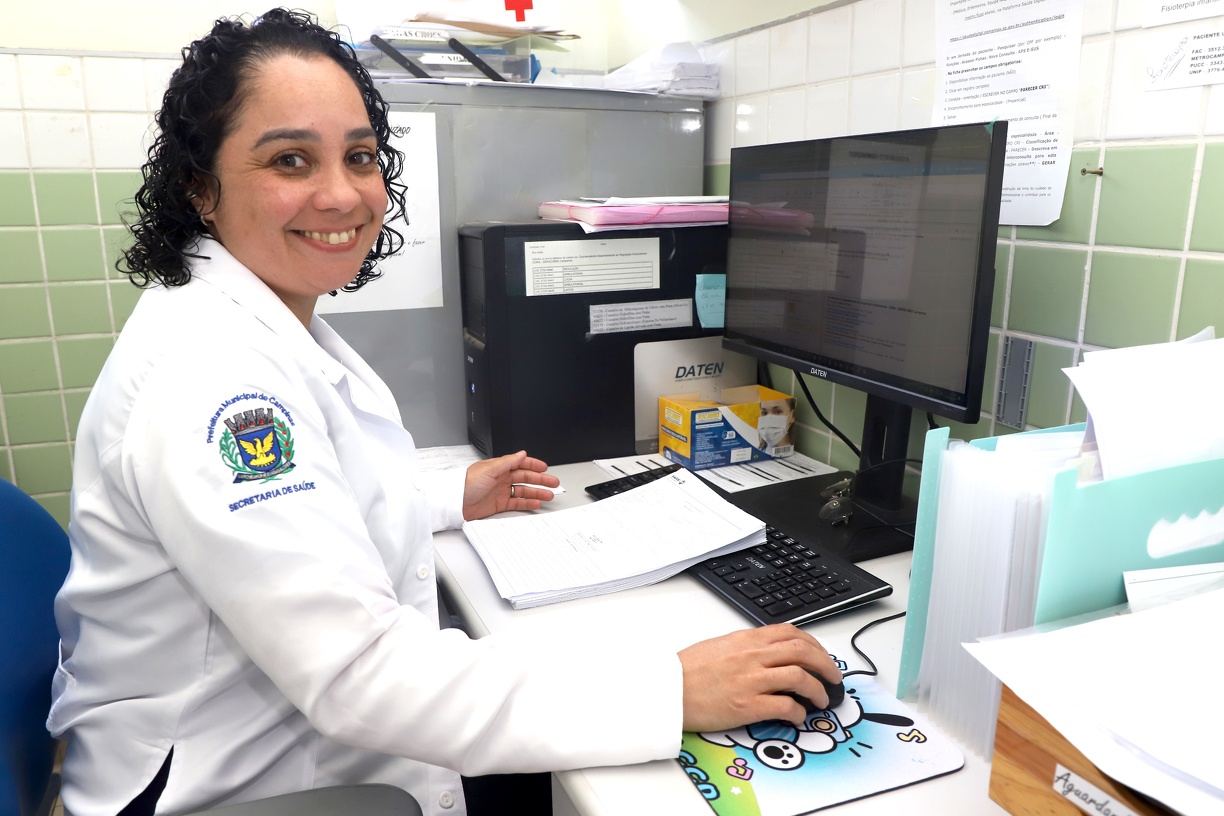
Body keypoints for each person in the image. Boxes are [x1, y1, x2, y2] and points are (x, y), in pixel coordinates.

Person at [46, 10, 842, 816]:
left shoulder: (260, 317)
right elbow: (362, 678)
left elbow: (310, 513)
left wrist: (445, 498)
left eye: (359, 157)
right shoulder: (214, 379)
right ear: (199, 187)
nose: (342, 193)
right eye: (290, 159)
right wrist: (671, 689)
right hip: (239, 786)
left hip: (295, 739)